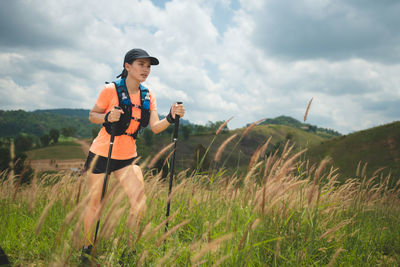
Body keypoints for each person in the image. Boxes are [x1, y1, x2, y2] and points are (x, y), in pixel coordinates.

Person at [81, 48, 185, 261]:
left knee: (139, 204)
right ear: (127, 66)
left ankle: (128, 252)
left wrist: (171, 117)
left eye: (148, 66)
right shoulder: (111, 90)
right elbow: (93, 115)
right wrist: (107, 117)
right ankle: (87, 250)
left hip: (127, 157)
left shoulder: (148, 94)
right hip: (102, 153)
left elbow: (155, 127)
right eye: (141, 64)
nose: (146, 69)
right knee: (95, 204)